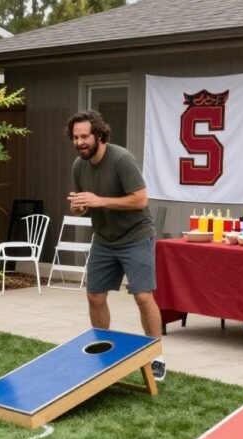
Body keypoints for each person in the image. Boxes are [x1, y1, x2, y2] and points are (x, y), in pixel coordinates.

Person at [65, 109, 166, 381]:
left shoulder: (121, 159)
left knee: (143, 296)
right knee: (94, 296)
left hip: (135, 236)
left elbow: (140, 200)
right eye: (75, 138)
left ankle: (155, 355)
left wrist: (100, 200)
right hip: (104, 239)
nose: (79, 142)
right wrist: (80, 208)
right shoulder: (79, 165)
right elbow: (86, 206)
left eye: (84, 136)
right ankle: (103, 350)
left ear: (98, 134)